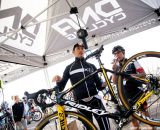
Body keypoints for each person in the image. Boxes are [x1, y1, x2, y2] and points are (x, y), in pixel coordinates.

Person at [53, 43, 110, 130]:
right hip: (81, 103)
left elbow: (100, 86)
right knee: (88, 128)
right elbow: (61, 87)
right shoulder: (69, 68)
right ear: (73, 52)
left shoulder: (92, 66)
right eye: (78, 48)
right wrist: (58, 80)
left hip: (95, 100)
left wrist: (107, 82)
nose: (81, 50)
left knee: (106, 128)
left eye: (82, 48)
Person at [111, 45, 153, 130]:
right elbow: (114, 81)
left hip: (136, 90)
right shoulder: (116, 65)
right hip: (124, 93)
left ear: (123, 52)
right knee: (131, 115)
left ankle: (152, 127)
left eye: (118, 52)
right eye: (115, 54)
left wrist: (131, 76)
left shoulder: (132, 62)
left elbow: (143, 74)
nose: (117, 55)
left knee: (143, 111)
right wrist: (114, 70)